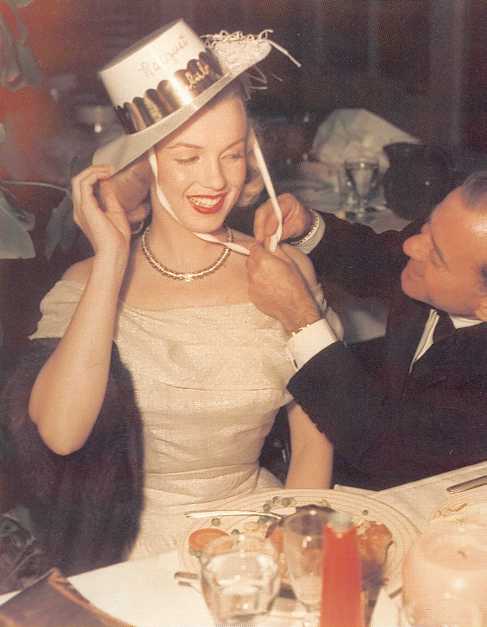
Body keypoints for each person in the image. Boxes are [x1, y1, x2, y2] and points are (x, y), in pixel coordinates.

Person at [1, 20, 334, 577]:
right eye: (187, 157)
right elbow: (60, 432)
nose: (216, 180)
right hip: (126, 555)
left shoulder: (284, 271)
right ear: (147, 164)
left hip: (259, 536)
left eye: (232, 155)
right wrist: (111, 259)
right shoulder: (87, 284)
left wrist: (287, 554)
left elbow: (314, 442)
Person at [247, 173, 487, 490]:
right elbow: (381, 258)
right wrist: (307, 228)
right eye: (427, 227)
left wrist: (300, 317)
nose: (411, 245)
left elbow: (384, 445)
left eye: (436, 257)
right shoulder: (442, 250)